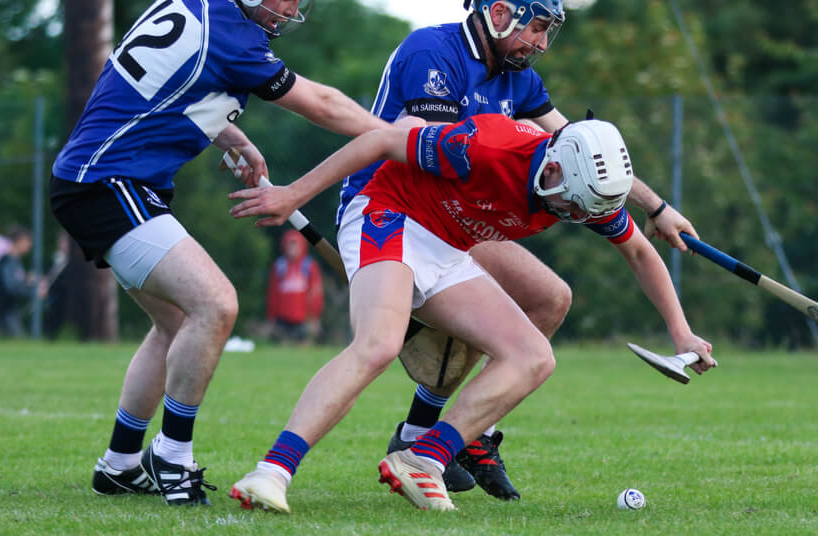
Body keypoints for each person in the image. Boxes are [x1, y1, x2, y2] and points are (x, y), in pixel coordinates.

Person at [49, 0, 393, 507]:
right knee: (216, 304)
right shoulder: (234, 33)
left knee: (178, 324)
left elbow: (169, 89)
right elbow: (324, 105)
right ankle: (172, 455)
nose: (289, 9)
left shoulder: (199, 3)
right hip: (108, 183)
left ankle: (119, 463)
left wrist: (230, 137)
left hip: (100, 180)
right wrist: (398, 139)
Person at [332, 0, 702, 500]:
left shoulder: (520, 77)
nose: (541, 41)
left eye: (548, 30)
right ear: (499, 14)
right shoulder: (434, 52)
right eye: (536, 26)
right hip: (398, 206)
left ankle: (438, 436)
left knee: (550, 298)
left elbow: (579, 146)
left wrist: (653, 204)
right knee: (504, 311)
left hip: (460, 215)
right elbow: (431, 160)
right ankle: (435, 438)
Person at [226, 114, 716, 513]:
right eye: (572, 204)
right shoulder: (485, 146)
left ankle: (423, 459)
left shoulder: (583, 189)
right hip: (388, 215)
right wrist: (295, 194)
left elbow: (639, 252)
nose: (574, 215)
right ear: (554, 169)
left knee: (533, 356)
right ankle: (271, 472)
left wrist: (682, 333)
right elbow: (378, 141)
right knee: (378, 344)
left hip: (448, 247)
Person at [0, 226, 47, 336]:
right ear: (19, 242)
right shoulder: (7, 261)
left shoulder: (15, 261)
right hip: (3, 311)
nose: (30, 245)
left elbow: (16, 281)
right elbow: (11, 287)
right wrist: (34, 292)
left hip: (8, 309)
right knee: (16, 340)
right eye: (28, 241)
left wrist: (29, 281)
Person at [265, 230, 324, 344]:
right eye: (289, 246)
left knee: (302, 349)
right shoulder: (279, 266)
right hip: (282, 320)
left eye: (295, 245)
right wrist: (271, 317)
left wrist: (314, 317)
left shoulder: (309, 266)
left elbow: (316, 293)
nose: (292, 249)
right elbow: (272, 294)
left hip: (303, 319)